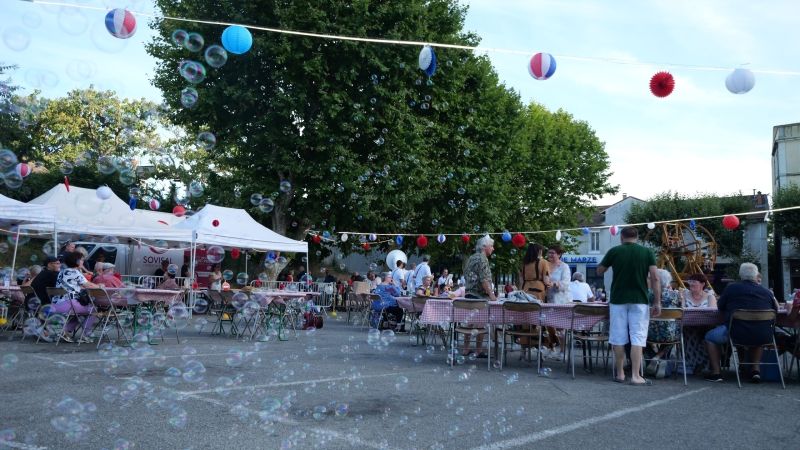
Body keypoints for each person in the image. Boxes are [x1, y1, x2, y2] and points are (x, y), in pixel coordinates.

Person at [597, 226, 660, 386]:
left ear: (621, 237)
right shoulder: (647, 252)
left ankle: (619, 374)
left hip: (618, 298)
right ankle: (636, 376)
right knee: (638, 337)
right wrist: (657, 301)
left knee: (618, 337)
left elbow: (599, 271)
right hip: (639, 299)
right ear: (636, 237)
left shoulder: (615, 251)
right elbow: (655, 278)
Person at [703, 263, 778, 383]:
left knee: (709, 337)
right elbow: (776, 310)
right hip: (764, 335)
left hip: (736, 333)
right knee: (758, 333)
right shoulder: (767, 292)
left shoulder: (731, 288)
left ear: (740, 275)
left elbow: (720, 307)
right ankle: (755, 370)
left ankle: (716, 372)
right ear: (756, 275)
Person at [51, 251, 101, 343]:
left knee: (80, 313)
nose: (83, 262)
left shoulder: (62, 272)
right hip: (68, 304)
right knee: (93, 310)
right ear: (77, 261)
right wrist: (100, 286)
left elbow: (71, 284)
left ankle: (64, 331)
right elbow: (87, 285)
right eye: (82, 260)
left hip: (55, 304)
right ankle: (85, 335)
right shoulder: (75, 272)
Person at [462, 236, 497, 358]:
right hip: (479, 296)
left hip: (468, 294)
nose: (493, 248)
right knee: (480, 323)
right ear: (484, 247)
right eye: (491, 246)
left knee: (469, 322)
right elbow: (484, 280)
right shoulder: (483, 259)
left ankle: (465, 349)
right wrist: (492, 295)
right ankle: (478, 350)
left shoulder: (471, 258)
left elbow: (466, 275)